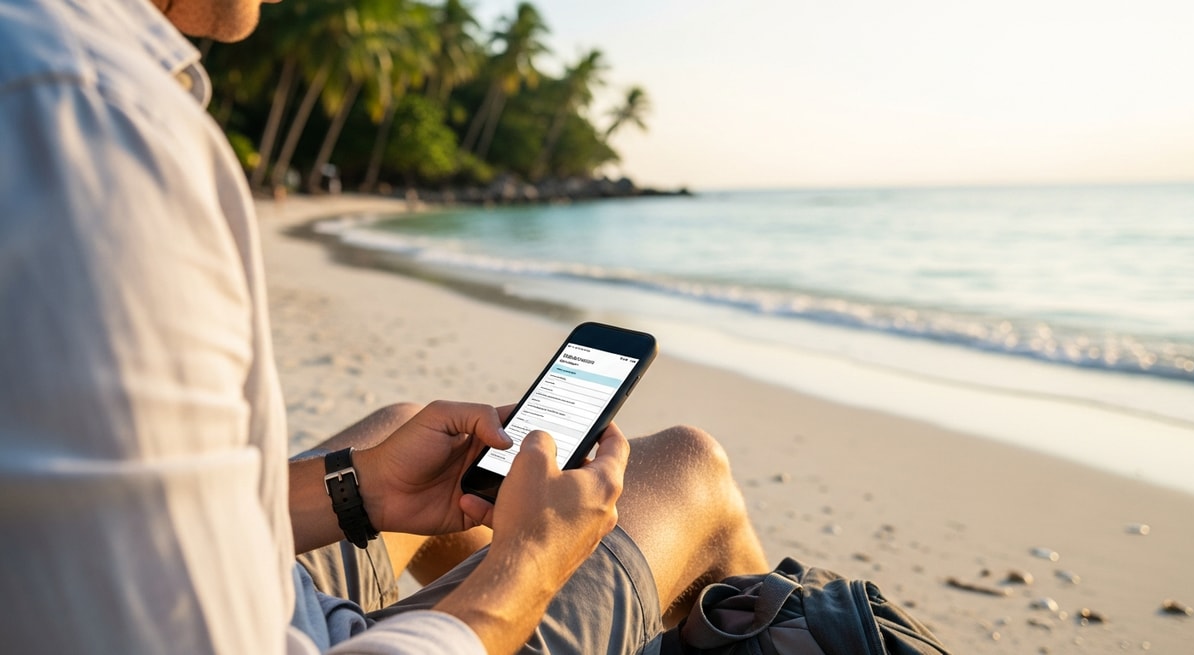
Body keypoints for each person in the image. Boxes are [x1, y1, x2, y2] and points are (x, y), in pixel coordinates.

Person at [0, 0, 768, 653]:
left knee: (408, 439)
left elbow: (107, 517)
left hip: (263, 592)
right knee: (691, 471)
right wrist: (529, 565)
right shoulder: (90, 124)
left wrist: (361, 488)